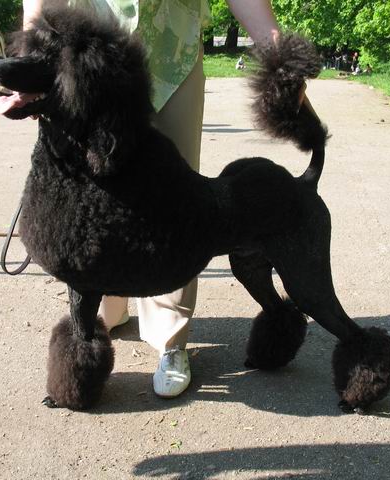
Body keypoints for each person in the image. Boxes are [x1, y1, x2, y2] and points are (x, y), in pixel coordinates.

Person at [21, 0, 298, 398]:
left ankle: (170, 337)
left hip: (172, 50)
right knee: (89, 200)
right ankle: (105, 310)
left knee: (174, 207)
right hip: (83, 58)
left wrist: (277, 53)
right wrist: (33, 50)